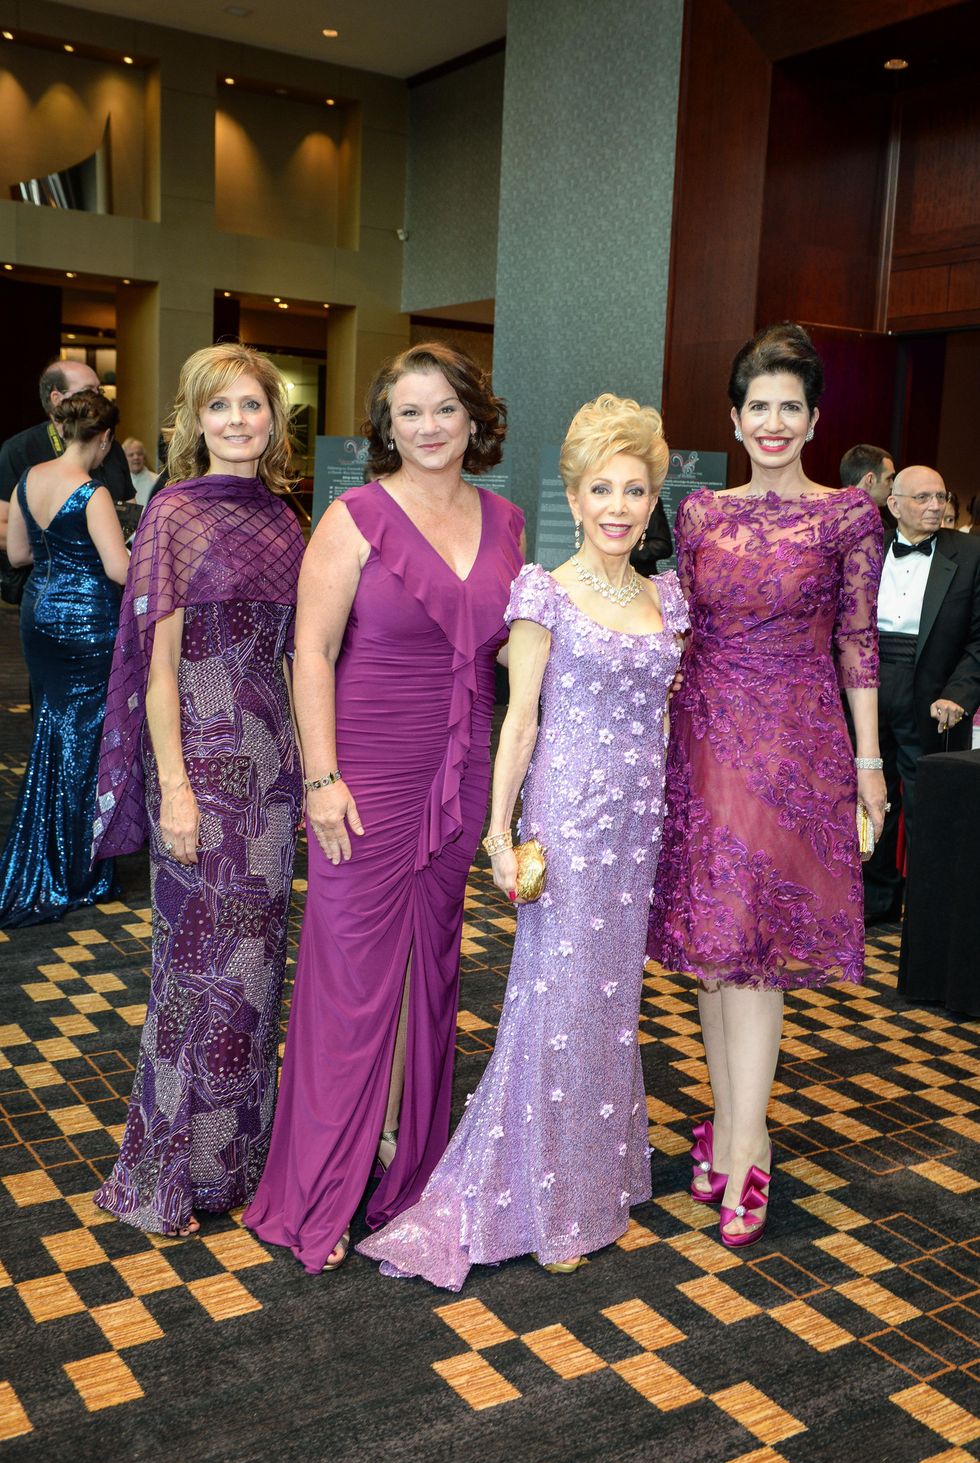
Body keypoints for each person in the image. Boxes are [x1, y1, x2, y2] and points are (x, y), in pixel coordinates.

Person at [358, 394, 687, 1290]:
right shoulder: (546, 591)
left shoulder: (667, 599)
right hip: (569, 825)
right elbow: (521, 720)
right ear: (572, 499)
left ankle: (595, 1177)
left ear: (652, 503)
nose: (618, 507)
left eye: (634, 491)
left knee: (612, 1006)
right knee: (557, 1005)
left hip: (637, 830)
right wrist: (501, 836)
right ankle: (543, 1197)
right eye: (600, 490)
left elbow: (662, 720)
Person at [243, 342, 525, 1273]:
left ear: (475, 418)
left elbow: (512, 658)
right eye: (410, 412)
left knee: (431, 970)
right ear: (386, 426)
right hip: (364, 770)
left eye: (446, 408)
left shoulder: (507, 521)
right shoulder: (354, 516)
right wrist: (321, 778)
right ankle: (320, 1186)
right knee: (351, 978)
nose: (430, 427)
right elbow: (311, 654)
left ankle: (405, 1167)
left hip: (461, 767)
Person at [649, 323, 886, 1249]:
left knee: (755, 946)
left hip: (794, 746)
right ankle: (724, 1119)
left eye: (792, 407)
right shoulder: (700, 513)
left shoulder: (847, 517)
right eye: (760, 407)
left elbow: (857, 643)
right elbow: (680, 625)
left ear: (816, 420)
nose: (775, 422)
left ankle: (749, 1145)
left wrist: (869, 763)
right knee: (714, 950)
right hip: (703, 740)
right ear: (735, 419)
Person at [90, 343, 306, 1236]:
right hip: (204, 763)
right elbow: (157, 667)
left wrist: (311, 769)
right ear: (194, 420)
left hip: (274, 774)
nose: (238, 421)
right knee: (192, 969)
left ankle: (235, 1167)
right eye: (220, 407)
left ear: (274, 419)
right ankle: (165, 1175)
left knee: (254, 973)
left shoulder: (288, 520)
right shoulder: (172, 514)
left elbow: (296, 660)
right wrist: (174, 787)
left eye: (252, 405)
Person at [0, 391, 129, 927]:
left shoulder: (28, 478)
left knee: (54, 728)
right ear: (105, 439)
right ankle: (75, 867)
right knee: (85, 740)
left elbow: (17, 555)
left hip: (39, 615)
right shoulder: (92, 492)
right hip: (86, 624)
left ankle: (48, 852)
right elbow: (119, 570)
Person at [863, 465, 980, 925]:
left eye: (940, 497)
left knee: (930, 805)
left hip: (934, 695)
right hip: (869, 686)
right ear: (894, 505)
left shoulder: (970, 553)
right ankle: (876, 901)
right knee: (871, 798)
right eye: (923, 498)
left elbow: (978, 639)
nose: (935, 506)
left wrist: (959, 694)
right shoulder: (867, 550)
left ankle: (929, 915)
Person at [0, 358, 135, 564]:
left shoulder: (112, 448)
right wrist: (73, 551)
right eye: (88, 390)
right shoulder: (19, 450)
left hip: (110, 572)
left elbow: (130, 512)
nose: (98, 397)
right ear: (56, 398)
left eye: (99, 390)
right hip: (43, 575)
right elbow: (3, 528)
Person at [840, 444, 896, 530]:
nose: (892, 485)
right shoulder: (877, 527)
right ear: (870, 480)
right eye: (889, 478)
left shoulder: (824, 517)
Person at [122, 437, 158, 504]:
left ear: (144, 457)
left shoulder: (156, 480)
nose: (136, 457)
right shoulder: (120, 482)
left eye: (139, 454)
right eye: (131, 455)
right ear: (124, 459)